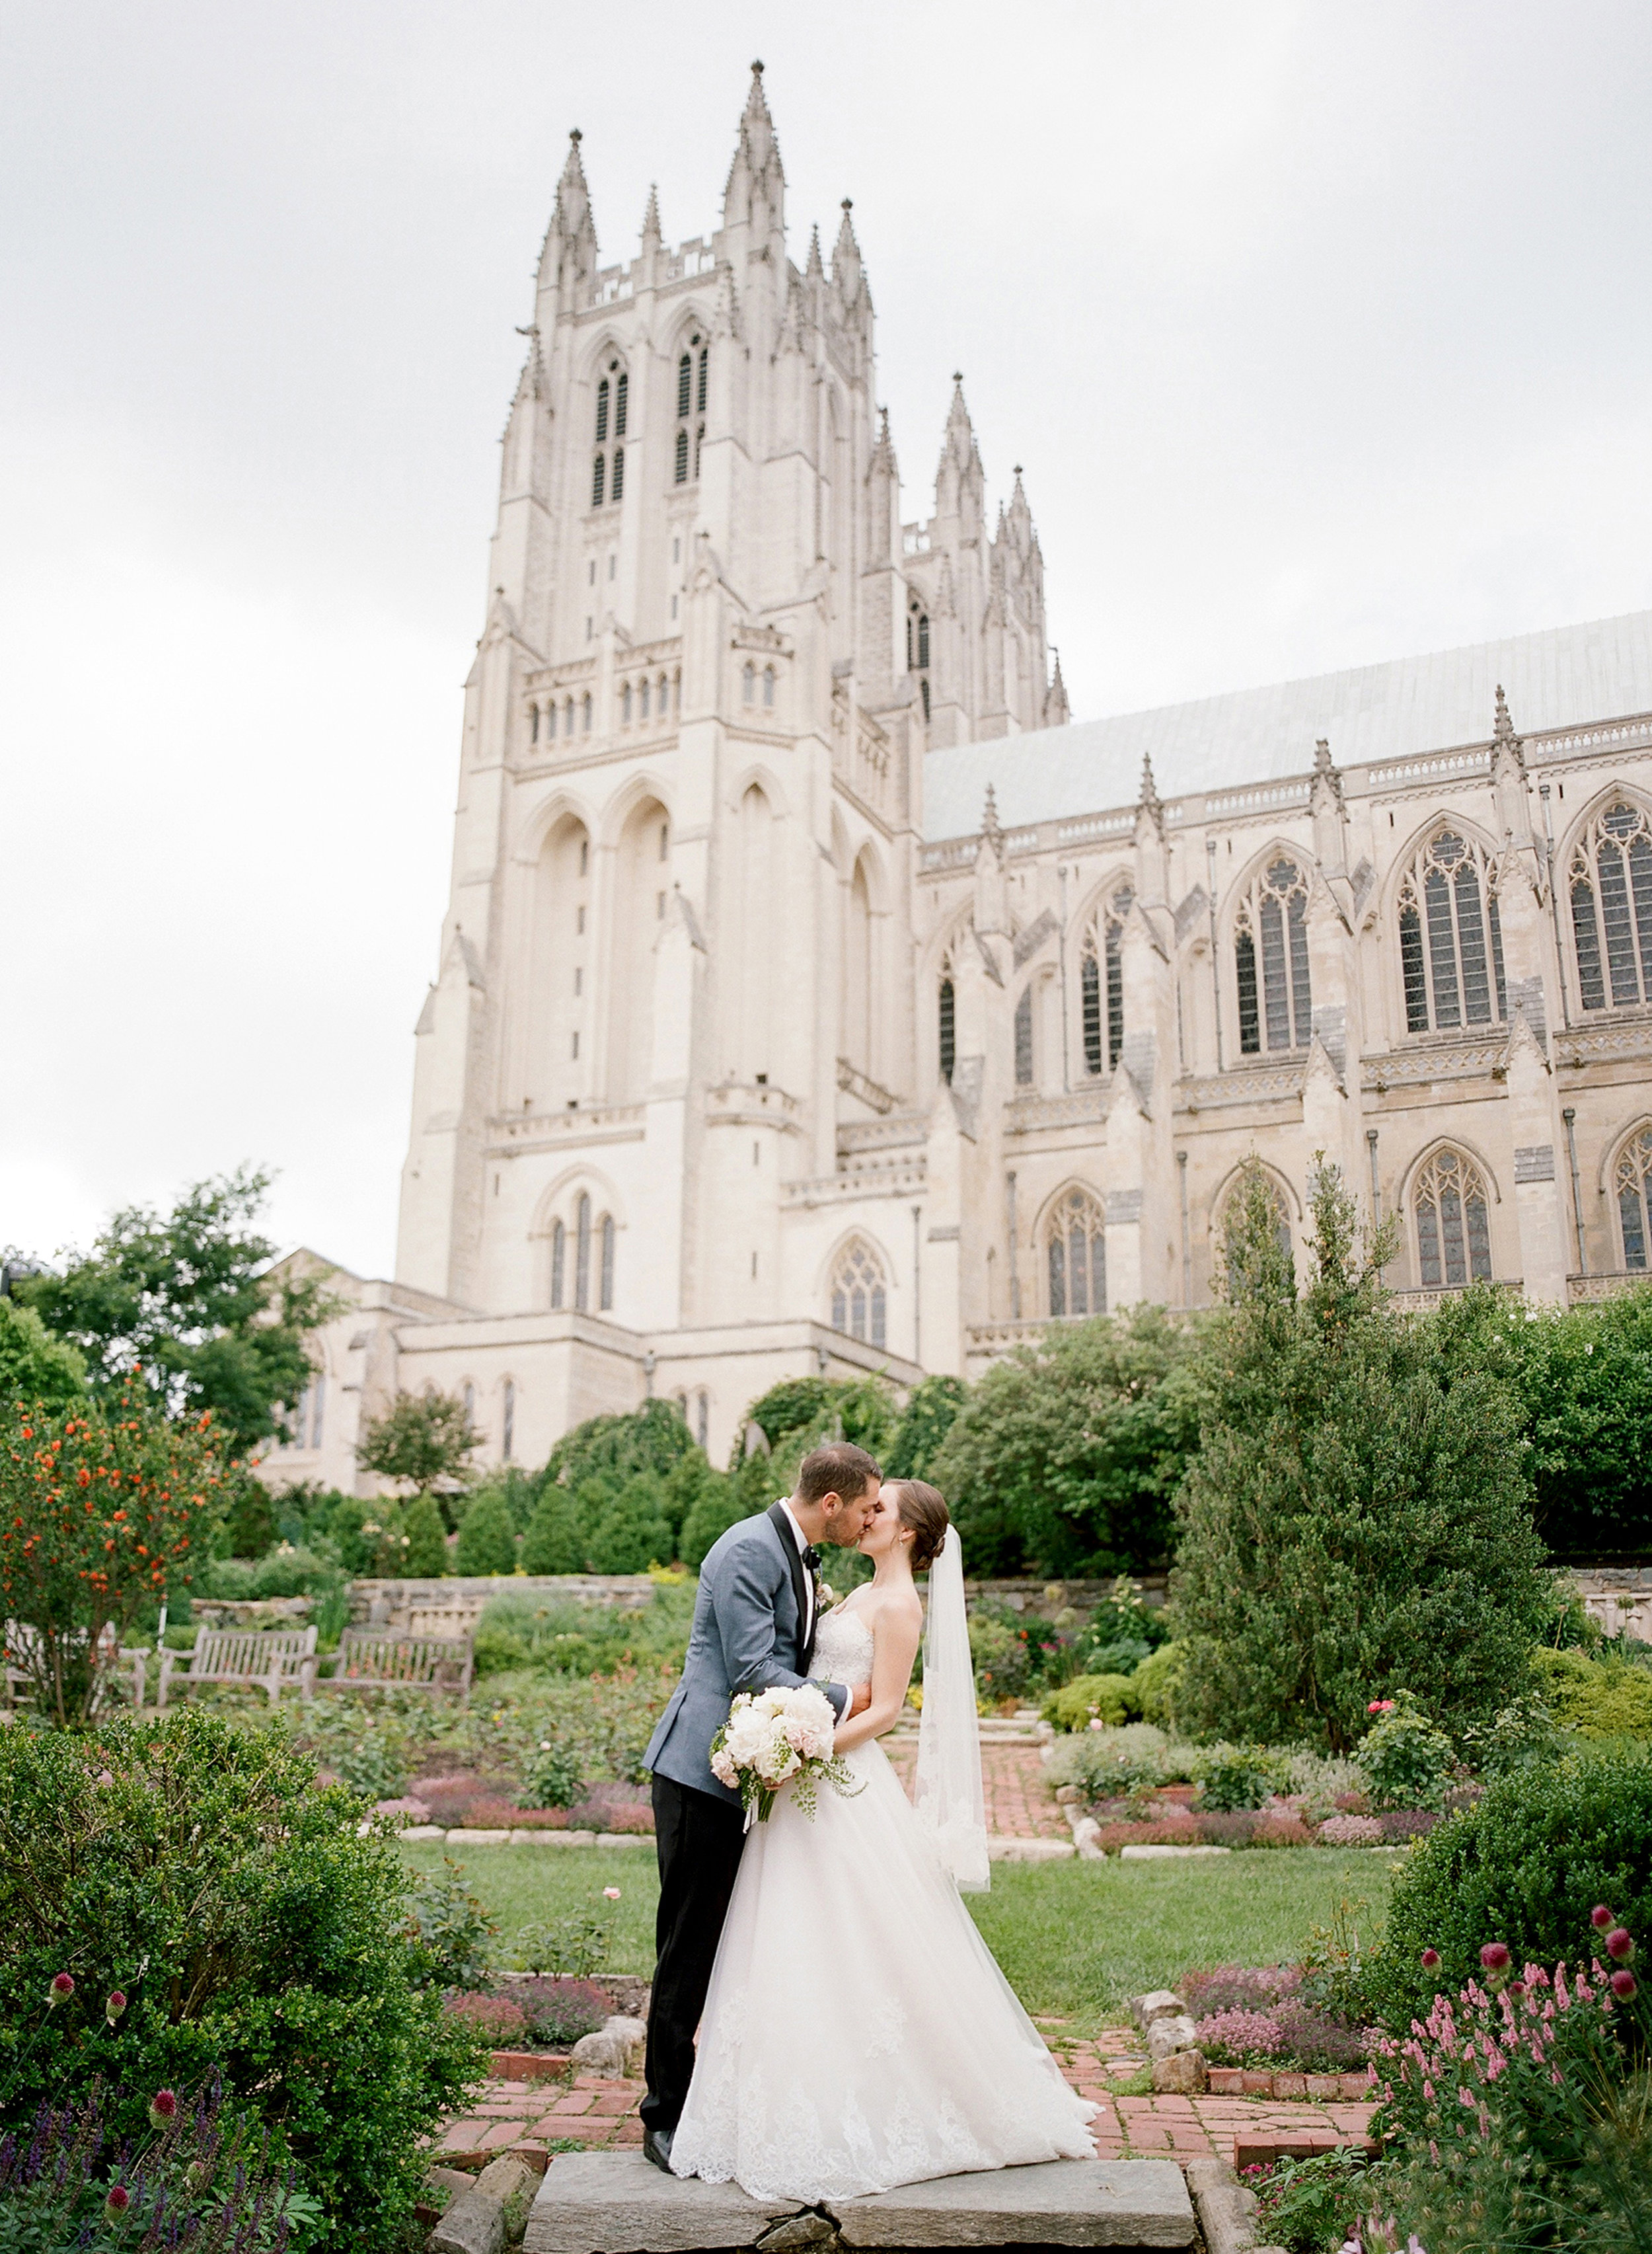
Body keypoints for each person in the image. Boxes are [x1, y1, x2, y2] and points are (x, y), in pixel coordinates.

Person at [667, 1478, 1096, 2202]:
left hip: (838, 1782)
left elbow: (889, 1710)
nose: (867, 1516)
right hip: (799, 1783)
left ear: (905, 1532)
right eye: (866, 1505)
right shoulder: (853, 1592)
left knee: (856, 1934)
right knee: (792, 1936)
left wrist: (810, 1746)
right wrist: (788, 1741)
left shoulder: (900, 1604)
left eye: (880, 1509)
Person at [640, 1441, 882, 2173]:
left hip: (748, 1765)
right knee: (688, 1943)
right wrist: (848, 1699)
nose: (870, 1516)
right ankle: (662, 2116)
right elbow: (749, 1668)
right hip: (698, 1773)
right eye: (865, 1504)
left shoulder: (797, 1550)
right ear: (830, 1502)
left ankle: (717, 2101)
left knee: (730, 1940)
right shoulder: (749, 1547)